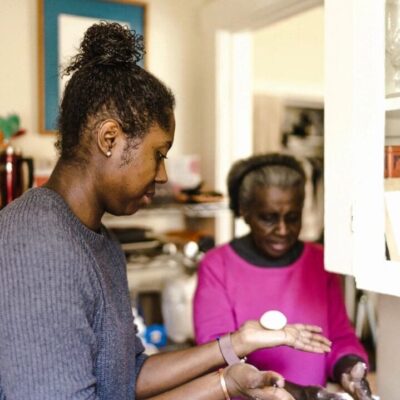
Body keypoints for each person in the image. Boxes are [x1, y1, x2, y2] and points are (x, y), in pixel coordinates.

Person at [0, 23, 333, 400]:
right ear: (109, 139)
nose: (162, 175)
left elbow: (129, 376)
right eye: (158, 154)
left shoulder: (100, 240)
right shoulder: (36, 247)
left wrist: (233, 356)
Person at [193, 153, 374, 400]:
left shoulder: (320, 261)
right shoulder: (218, 266)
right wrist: (300, 393)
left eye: (292, 217)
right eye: (268, 218)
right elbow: (215, 356)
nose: (282, 230)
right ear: (245, 213)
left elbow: (339, 338)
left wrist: (349, 369)